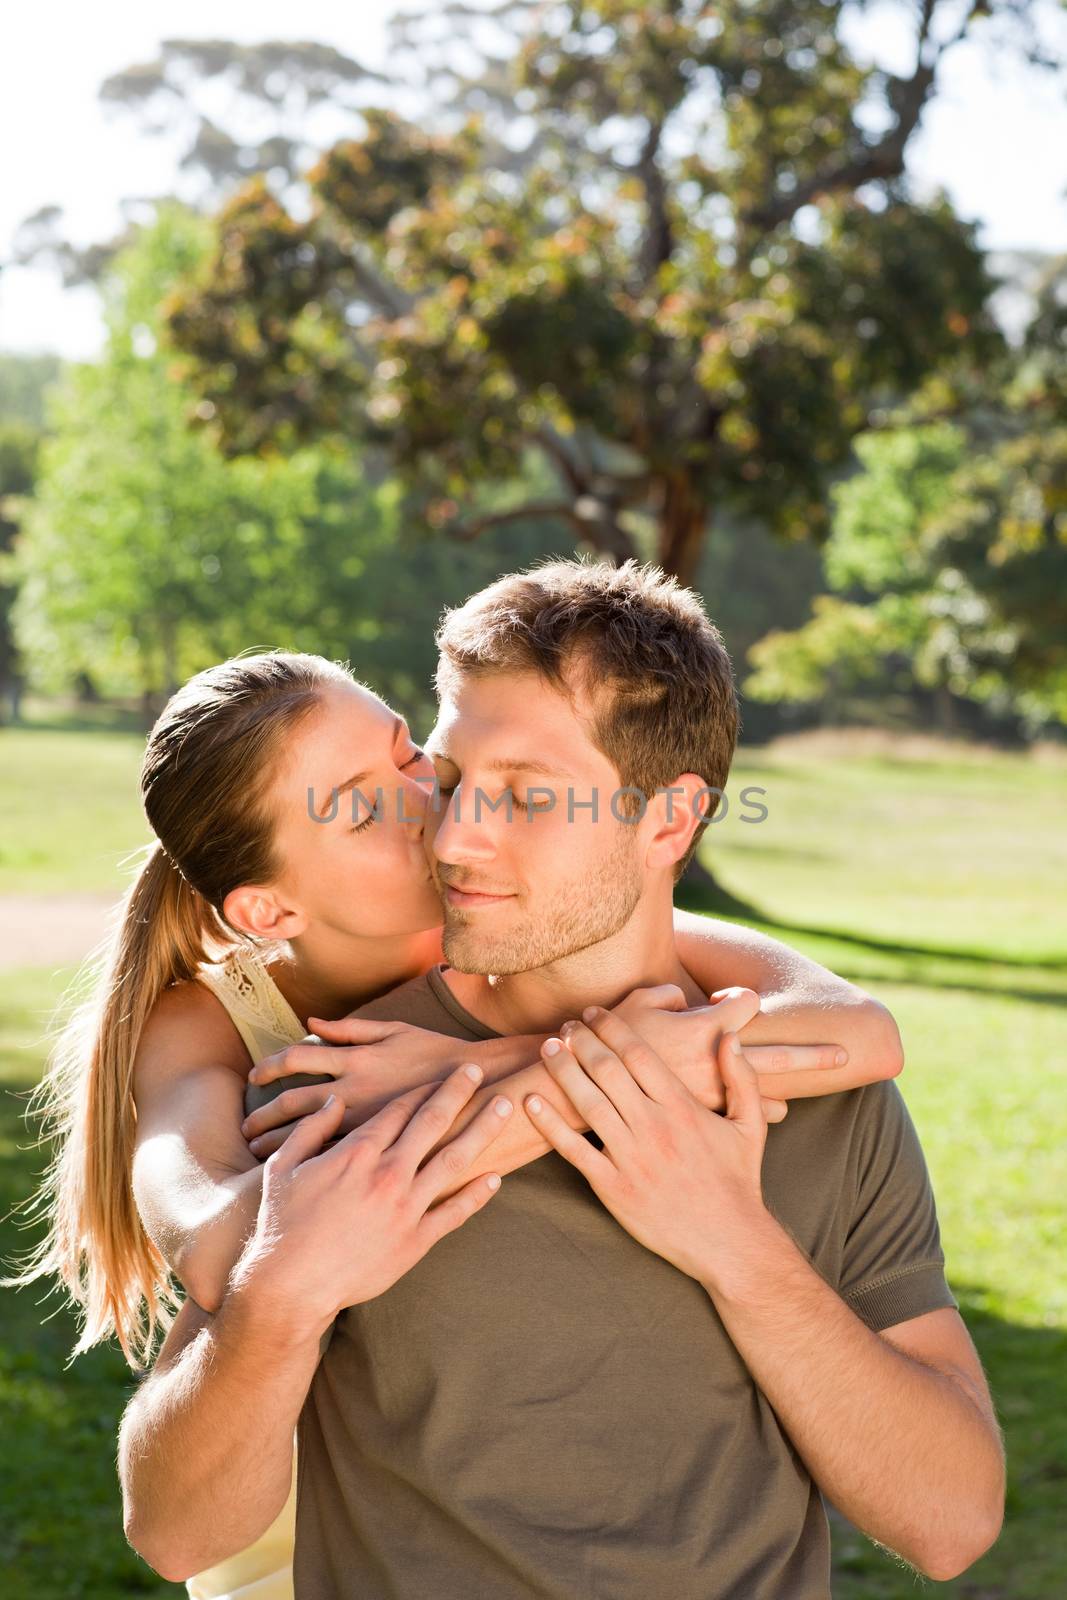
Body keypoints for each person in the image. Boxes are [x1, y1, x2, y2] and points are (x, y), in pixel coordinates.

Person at [117, 558, 1005, 1596]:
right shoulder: (338, 1086)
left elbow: (952, 1524)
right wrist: (289, 1283)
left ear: (668, 821)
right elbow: (177, 1531)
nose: (448, 835)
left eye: (523, 795)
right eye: (446, 781)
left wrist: (736, 1251)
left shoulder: (806, 1079)